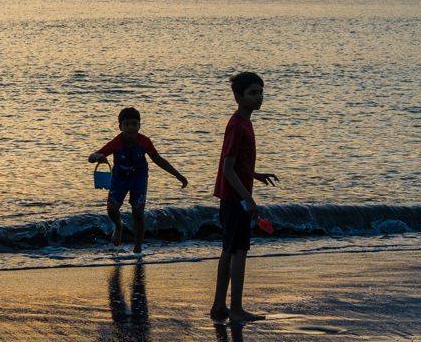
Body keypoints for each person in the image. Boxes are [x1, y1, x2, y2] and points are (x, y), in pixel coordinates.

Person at [209, 72, 279, 323]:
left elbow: (236, 164)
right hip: (235, 198)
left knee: (229, 250)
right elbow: (227, 168)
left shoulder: (244, 123)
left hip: (233, 196)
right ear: (238, 97)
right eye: (253, 93)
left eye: (261, 92)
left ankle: (219, 307)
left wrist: (254, 174)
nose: (259, 97)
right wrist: (248, 198)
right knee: (238, 251)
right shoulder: (238, 125)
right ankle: (236, 309)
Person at [89, 107, 188, 254]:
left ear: (139, 126)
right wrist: (99, 157)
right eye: (126, 124)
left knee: (138, 214)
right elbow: (91, 157)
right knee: (112, 209)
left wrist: (178, 175)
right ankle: (119, 226)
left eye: (134, 124)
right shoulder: (117, 142)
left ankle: (137, 249)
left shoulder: (144, 142)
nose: (131, 128)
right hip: (119, 179)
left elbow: (158, 159)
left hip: (139, 180)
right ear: (120, 127)